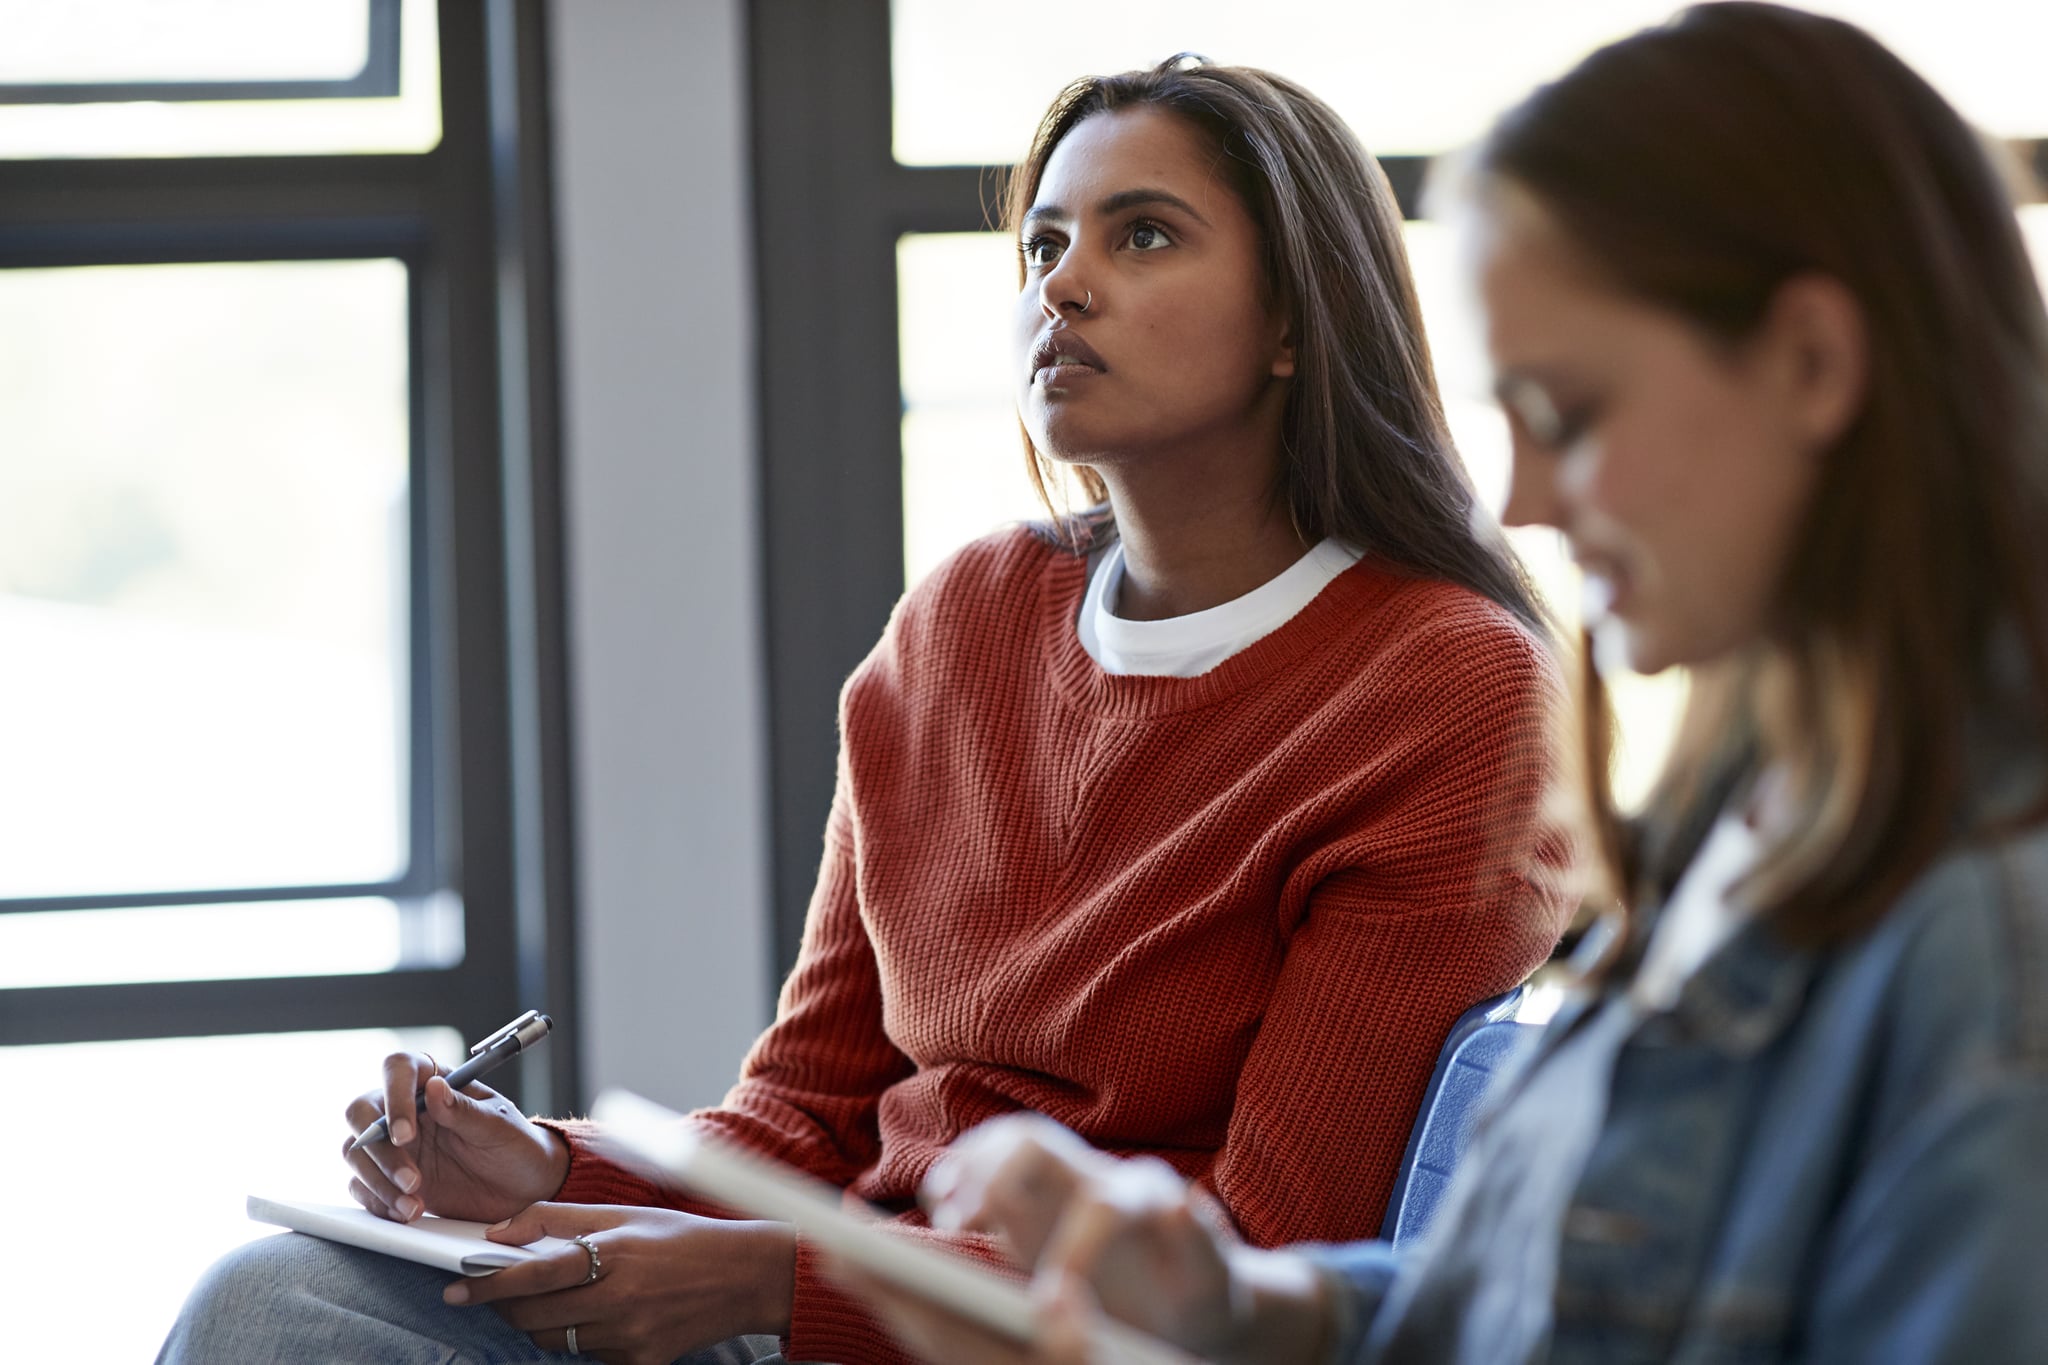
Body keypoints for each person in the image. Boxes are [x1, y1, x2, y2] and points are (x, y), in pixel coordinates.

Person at [159, 56, 1571, 1365]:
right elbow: (810, 1112)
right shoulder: (962, 619)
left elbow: (1267, 1258)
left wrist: (767, 1283)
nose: (1063, 285)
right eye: (1044, 244)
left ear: (1291, 317)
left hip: (1045, 1343)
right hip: (828, 1301)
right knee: (273, 1296)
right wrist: (546, 1168)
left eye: (1142, 235)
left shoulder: (1446, 689)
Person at [828, 5, 2048, 1362]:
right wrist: (1230, 1305)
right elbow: (1522, 1309)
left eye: (1570, 416)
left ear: (1815, 366)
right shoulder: (1748, 833)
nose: (1522, 496)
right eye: (1043, 243)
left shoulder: (1990, 946)